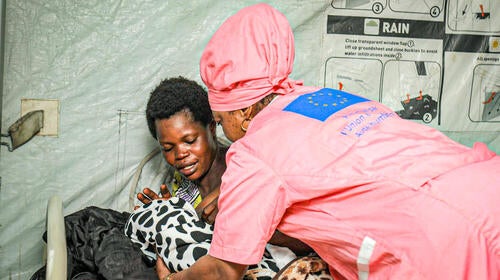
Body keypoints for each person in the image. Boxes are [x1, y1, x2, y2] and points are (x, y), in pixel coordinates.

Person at [156, 3, 500, 280]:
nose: (224, 130)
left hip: (441, 239)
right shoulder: (322, 98)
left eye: (219, 120)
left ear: (244, 112)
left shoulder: (254, 149)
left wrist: (172, 279)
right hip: (485, 185)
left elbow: (223, 270)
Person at [125, 76, 315, 279]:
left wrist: (244, 221)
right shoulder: (183, 187)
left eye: (190, 140)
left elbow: (308, 242)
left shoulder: (248, 171)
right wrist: (166, 215)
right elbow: (185, 241)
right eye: (168, 148)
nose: (180, 154)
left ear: (212, 128)